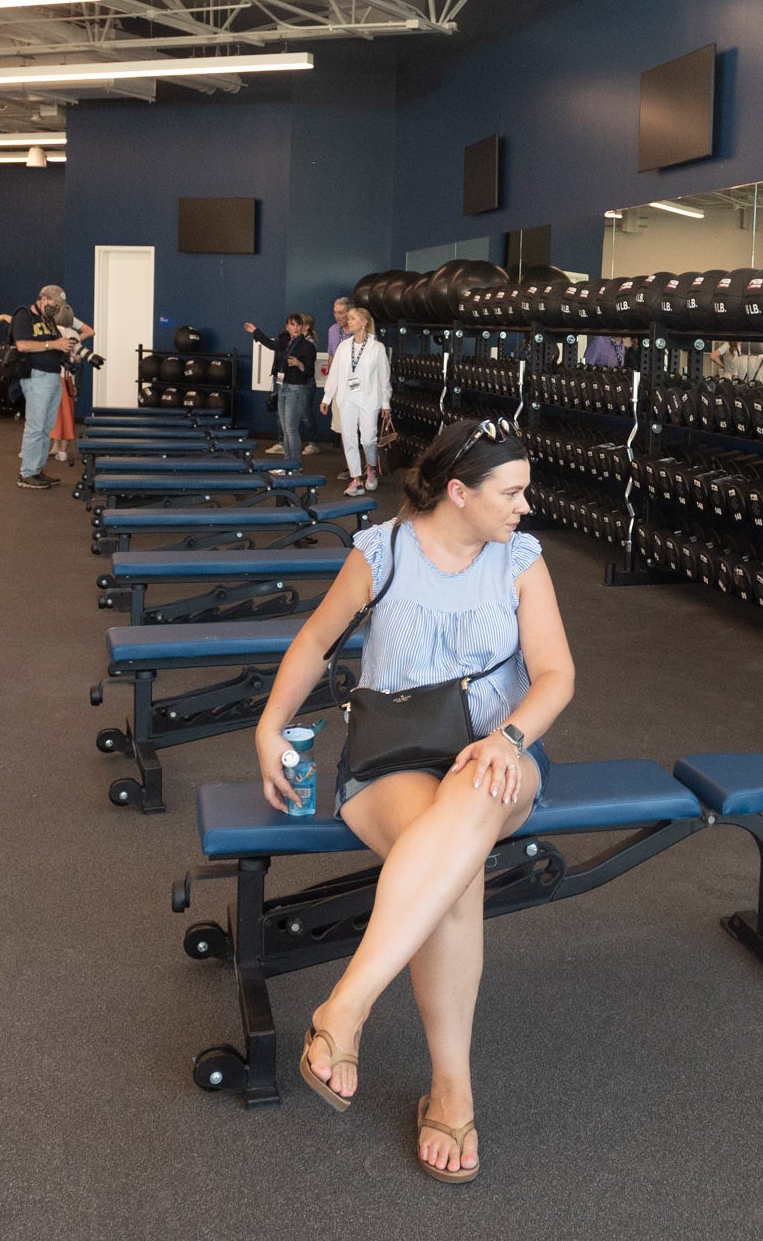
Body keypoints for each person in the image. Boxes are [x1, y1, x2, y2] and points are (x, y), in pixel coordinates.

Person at [253, 416, 575, 1182]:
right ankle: (451, 1085)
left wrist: (510, 737)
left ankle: (348, 1007)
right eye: (512, 492)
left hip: (501, 762)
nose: (525, 506)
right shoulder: (383, 551)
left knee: (470, 796)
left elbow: (557, 674)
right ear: (458, 492)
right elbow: (314, 641)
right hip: (390, 761)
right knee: (453, 871)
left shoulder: (522, 562)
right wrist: (269, 727)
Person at [323, 305, 392, 496]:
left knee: (368, 438)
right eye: (349, 318)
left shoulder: (377, 348)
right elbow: (335, 373)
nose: (348, 321)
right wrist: (327, 397)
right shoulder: (344, 347)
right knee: (349, 438)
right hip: (347, 398)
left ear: (364, 323)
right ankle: (356, 480)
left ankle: (371, 468)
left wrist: (386, 403)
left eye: (353, 318)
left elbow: (383, 377)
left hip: (369, 399)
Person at [13, 284, 75, 489]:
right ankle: (27, 473)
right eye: (54, 304)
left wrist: (66, 349)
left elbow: (57, 344)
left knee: (46, 427)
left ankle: (37, 470)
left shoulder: (48, 320)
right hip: (35, 376)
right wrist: (53, 345)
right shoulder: (24, 316)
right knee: (35, 426)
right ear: (43, 299)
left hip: (52, 376)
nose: (56, 308)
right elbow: (22, 345)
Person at [246, 313, 319, 473]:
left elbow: (309, 371)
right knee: (286, 429)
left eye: (298, 325)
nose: (295, 328)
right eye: (292, 325)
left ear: (303, 327)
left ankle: (295, 465)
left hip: (296, 388)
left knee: (291, 429)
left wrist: (300, 364)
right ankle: (288, 464)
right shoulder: (284, 342)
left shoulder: (308, 346)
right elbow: (269, 343)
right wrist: (255, 331)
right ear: (287, 327)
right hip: (283, 387)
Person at [48, 302, 92, 463]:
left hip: (57, 379)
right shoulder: (73, 335)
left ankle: (58, 447)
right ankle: (60, 449)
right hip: (67, 381)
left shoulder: (52, 332)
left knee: (55, 414)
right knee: (66, 414)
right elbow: (78, 355)